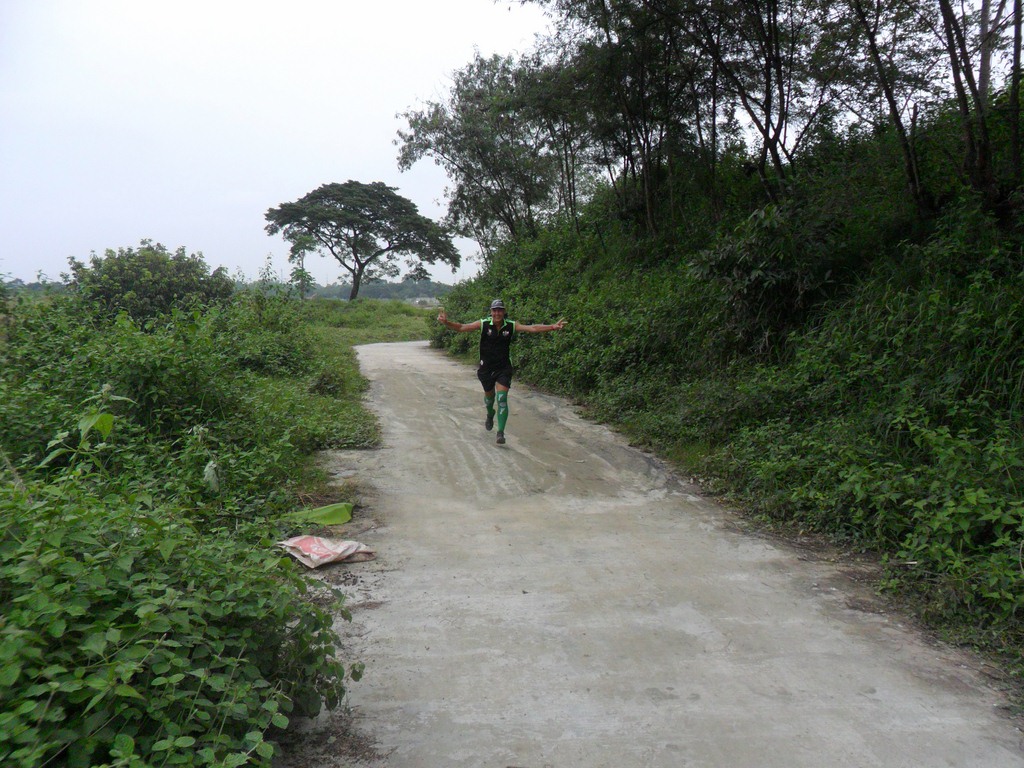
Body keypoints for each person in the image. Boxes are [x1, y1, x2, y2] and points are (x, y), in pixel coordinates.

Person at [437, 299, 566, 445]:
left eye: (500, 310)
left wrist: (552, 327)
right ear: (491, 312)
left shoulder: (511, 325)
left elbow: (533, 328)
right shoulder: (483, 324)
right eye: (494, 310)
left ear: (504, 312)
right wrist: (446, 322)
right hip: (486, 369)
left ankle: (500, 432)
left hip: (503, 368)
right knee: (490, 399)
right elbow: (461, 327)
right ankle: (490, 413)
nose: (497, 313)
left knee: (502, 398)